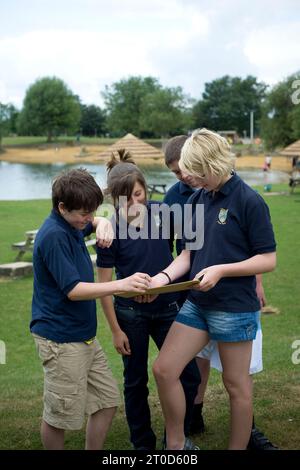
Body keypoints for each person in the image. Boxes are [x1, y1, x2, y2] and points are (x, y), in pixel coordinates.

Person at [151, 128, 277, 450]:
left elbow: (267, 259)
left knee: (236, 387)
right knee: (164, 370)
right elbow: (188, 255)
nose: (190, 177)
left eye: (197, 170)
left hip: (235, 308)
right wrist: (162, 279)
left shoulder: (250, 200)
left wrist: (222, 270)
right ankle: (177, 446)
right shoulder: (196, 198)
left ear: (215, 162)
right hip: (198, 304)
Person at [30, 168, 151, 450]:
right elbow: (74, 291)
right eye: (84, 213)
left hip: (83, 336)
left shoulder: (72, 224)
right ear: (62, 207)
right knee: (58, 416)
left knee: (107, 402)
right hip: (60, 340)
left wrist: (100, 222)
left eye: (92, 211)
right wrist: (121, 286)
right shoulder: (54, 237)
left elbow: (91, 222)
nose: (87, 217)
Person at [96, 150, 200, 451]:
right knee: (135, 382)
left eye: (139, 194)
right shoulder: (110, 230)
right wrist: (116, 330)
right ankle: (142, 445)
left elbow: (187, 249)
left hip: (168, 309)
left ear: (145, 189)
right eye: (126, 200)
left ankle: (176, 440)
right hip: (130, 316)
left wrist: (163, 280)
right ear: (114, 200)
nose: (135, 204)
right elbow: (104, 285)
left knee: (188, 375)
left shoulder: (164, 213)